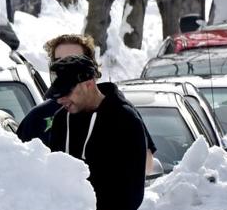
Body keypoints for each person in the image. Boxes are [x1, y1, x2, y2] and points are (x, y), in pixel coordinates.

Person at [45, 53, 153, 210]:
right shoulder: (61, 120)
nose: (61, 100)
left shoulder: (125, 120)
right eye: (57, 94)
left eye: (66, 92)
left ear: (89, 83)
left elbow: (131, 193)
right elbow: (54, 177)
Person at [20, 34, 157, 174]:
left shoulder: (122, 114)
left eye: (74, 61)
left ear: (89, 69)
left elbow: (146, 167)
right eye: (59, 61)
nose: (66, 68)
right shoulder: (39, 117)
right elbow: (19, 166)